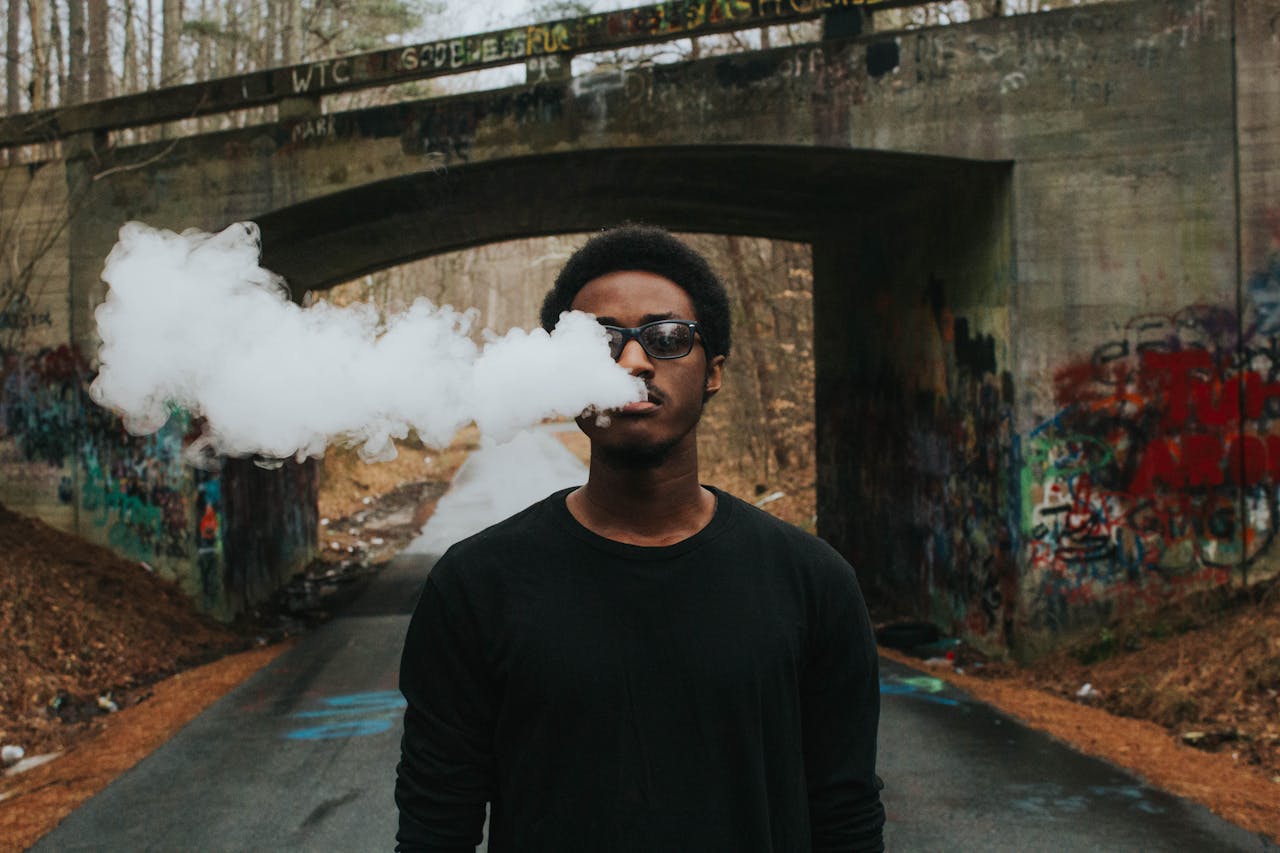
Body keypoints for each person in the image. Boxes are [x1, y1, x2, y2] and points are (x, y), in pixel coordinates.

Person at [395, 225, 885, 852]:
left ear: (713, 372)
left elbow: (845, 817)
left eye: (668, 337)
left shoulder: (813, 583)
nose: (633, 362)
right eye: (601, 342)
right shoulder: (475, 586)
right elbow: (436, 827)